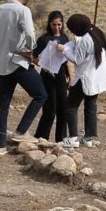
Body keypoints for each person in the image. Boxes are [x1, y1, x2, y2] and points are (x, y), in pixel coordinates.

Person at [0, 0, 45, 154]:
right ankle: (21, 131)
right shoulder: (23, 10)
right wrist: (31, 51)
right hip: (19, 61)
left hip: (2, 61)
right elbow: (29, 33)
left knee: (3, 104)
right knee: (40, 94)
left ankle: (0, 146)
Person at [60, 13, 106, 147]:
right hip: (96, 78)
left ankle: (73, 138)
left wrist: (64, 50)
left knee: (70, 106)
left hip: (85, 77)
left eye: (73, 29)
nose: (72, 32)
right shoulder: (97, 32)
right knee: (90, 105)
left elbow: (77, 60)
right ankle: (88, 137)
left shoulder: (86, 40)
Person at [32, 10, 70, 143]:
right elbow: (33, 56)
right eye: (54, 24)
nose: (57, 27)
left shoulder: (65, 38)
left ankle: (61, 140)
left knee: (63, 110)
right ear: (49, 24)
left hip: (61, 76)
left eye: (59, 24)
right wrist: (41, 63)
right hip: (47, 76)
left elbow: (67, 59)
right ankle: (41, 139)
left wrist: (70, 77)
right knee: (49, 110)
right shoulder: (43, 39)